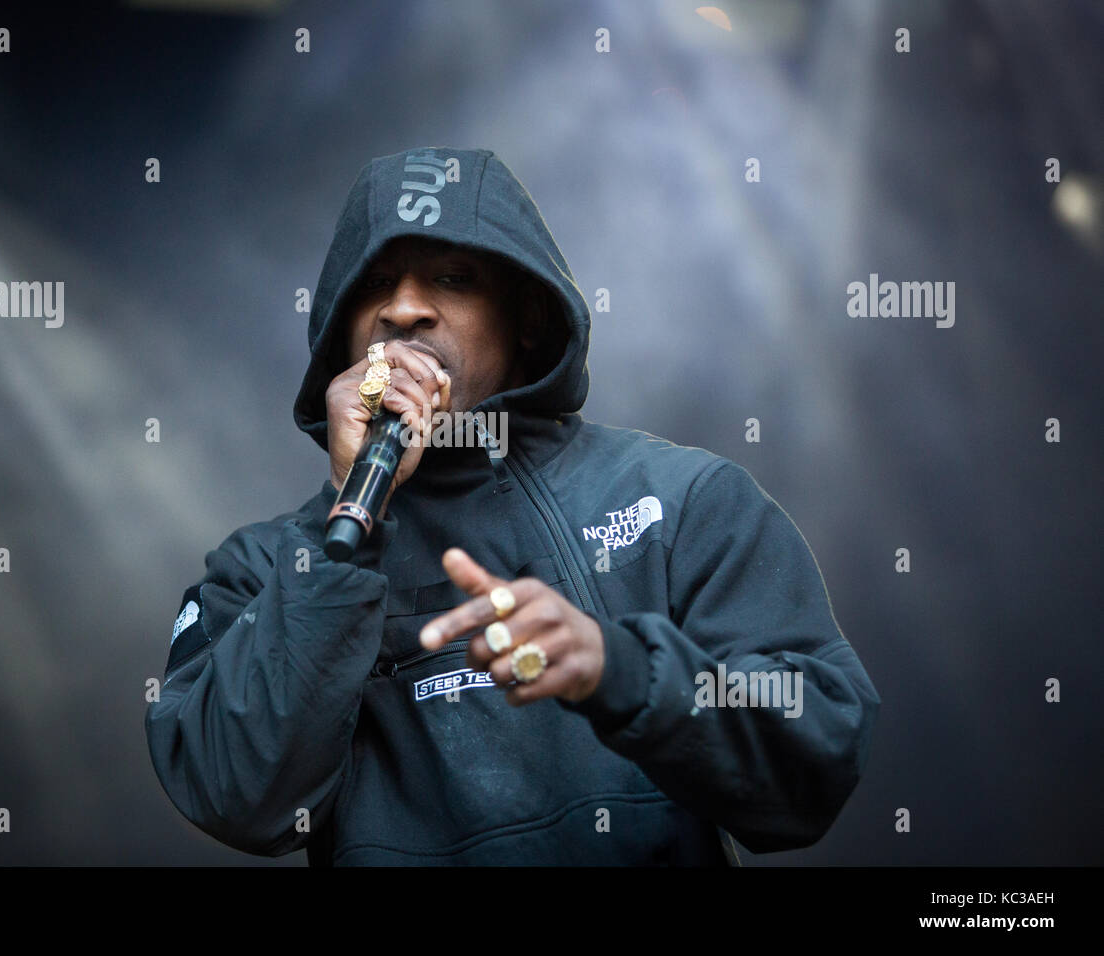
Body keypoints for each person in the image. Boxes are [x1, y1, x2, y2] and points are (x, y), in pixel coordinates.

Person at [145, 145, 881, 865]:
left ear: (527, 317)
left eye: (454, 277)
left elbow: (817, 756)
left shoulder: (681, 501)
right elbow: (235, 797)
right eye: (373, 285)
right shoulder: (262, 568)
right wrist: (343, 518)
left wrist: (620, 670)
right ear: (339, 328)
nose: (404, 309)